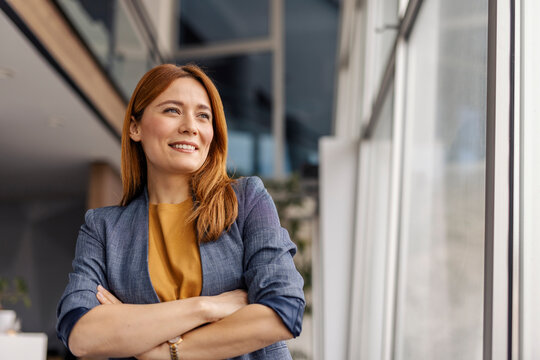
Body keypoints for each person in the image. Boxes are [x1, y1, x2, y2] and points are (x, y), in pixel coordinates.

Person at [56, 64, 305, 360]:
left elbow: (284, 310)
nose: (191, 126)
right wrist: (206, 307)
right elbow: (82, 335)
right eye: (172, 110)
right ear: (135, 127)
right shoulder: (103, 228)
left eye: (203, 115)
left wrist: (165, 351)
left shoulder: (246, 201)